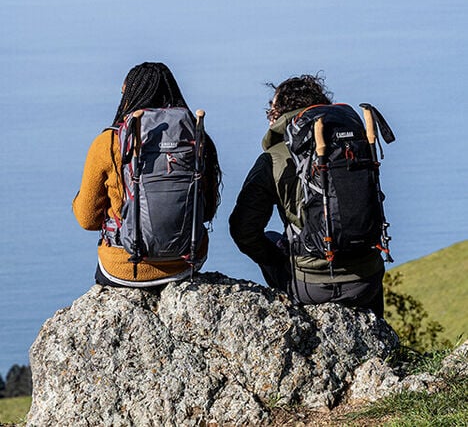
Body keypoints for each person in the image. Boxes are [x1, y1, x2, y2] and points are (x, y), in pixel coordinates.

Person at [229, 74, 385, 317]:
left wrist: (282, 260)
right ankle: (380, 341)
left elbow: (243, 231)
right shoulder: (351, 144)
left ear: (278, 115)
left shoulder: (274, 159)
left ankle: (300, 319)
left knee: (270, 238)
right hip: (367, 282)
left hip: (311, 287)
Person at [73, 62, 221, 288]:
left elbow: (87, 220)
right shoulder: (197, 140)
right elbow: (207, 211)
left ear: (130, 95)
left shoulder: (109, 143)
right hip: (185, 262)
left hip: (124, 266)